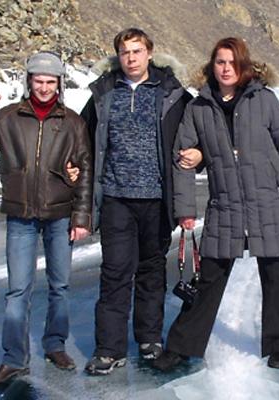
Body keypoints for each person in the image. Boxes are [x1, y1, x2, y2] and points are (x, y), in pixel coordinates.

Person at [153, 37, 279, 372]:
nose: (226, 69)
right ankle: (180, 346)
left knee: (276, 277)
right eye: (220, 62)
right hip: (226, 204)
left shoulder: (264, 100)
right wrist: (185, 210)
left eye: (232, 63)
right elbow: (183, 159)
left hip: (269, 201)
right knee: (210, 278)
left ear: (243, 66)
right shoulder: (199, 108)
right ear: (212, 66)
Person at [0, 51, 93, 385]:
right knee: (17, 290)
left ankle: (55, 345)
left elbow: (84, 171)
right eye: (38, 81)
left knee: (60, 286)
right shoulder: (7, 117)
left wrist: (81, 217)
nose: (44, 87)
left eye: (51, 82)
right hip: (20, 215)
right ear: (28, 82)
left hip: (59, 215)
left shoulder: (72, 122)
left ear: (60, 84)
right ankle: (14, 359)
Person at [79, 28, 193, 375]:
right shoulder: (104, 93)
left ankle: (149, 339)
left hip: (156, 200)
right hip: (115, 199)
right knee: (114, 274)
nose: (131, 58)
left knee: (151, 272)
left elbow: (198, 128)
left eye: (137, 51)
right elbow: (80, 136)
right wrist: (70, 168)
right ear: (118, 56)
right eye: (125, 52)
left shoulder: (171, 92)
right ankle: (108, 349)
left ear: (149, 53)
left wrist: (200, 153)